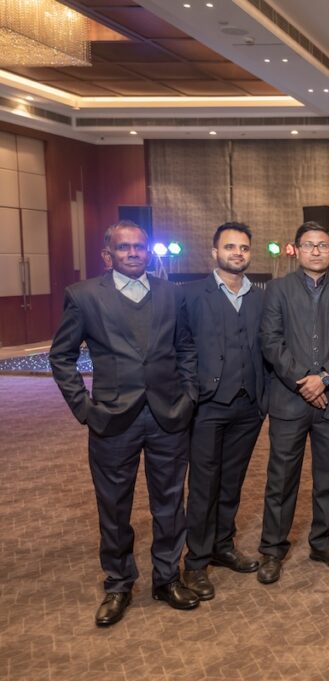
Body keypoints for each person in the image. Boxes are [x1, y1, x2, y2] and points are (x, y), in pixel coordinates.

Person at [50, 220, 200, 626]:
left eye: (139, 247)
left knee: (170, 503)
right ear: (107, 255)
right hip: (112, 420)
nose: (133, 253)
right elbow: (61, 357)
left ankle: (167, 578)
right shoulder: (83, 296)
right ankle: (119, 584)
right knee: (114, 507)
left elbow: (185, 348)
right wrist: (84, 408)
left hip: (169, 415)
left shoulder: (171, 293)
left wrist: (189, 395)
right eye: (123, 247)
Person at [256, 222, 329, 584]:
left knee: (328, 480)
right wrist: (304, 380)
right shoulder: (277, 289)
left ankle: (323, 542)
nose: (316, 251)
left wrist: (325, 379)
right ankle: (272, 550)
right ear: (296, 250)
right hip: (289, 401)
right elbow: (271, 341)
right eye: (309, 245)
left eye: (323, 245)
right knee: (281, 480)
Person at [180, 222, 269, 599]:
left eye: (244, 248)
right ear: (214, 252)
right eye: (230, 247)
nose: (238, 253)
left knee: (232, 480)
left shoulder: (261, 298)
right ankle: (196, 561)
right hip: (207, 406)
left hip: (248, 406)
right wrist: (188, 392)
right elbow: (180, 347)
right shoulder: (189, 295)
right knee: (204, 484)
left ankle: (222, 544)